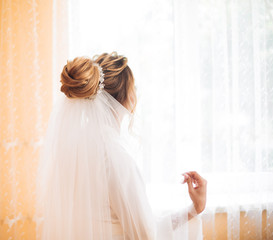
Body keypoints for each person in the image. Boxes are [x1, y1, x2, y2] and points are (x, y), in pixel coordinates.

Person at [35, 52, 207, 240]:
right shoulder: (115, 159)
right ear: (128, 98)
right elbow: (146, 235)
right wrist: (194, 209)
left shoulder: (70, 151)